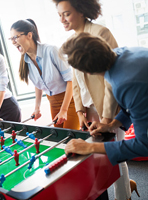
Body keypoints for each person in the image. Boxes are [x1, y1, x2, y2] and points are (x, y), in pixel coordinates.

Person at [53, 0, 132, 199]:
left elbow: (113, 77)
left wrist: (106, 118)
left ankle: (124, 195)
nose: (62, 19)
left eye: (67, 14)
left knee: (114, 155)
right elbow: (76, 81)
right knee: (96, 157)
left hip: (108, 106)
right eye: (59, 15)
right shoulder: (73, 39)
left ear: (81, 10)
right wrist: (80, 112)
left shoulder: (101, 32)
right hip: (88, 108)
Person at [61, 32, 147, 198]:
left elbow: (144, 144)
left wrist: (90, 147)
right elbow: (138, 103)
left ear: (87, 73)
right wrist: (112, 124)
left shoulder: (126, 83)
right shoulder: (123, 53)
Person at [10, 19, 79, 129]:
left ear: (29, 35)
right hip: (53, 102)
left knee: (69, 139)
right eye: (11, 39)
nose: (13, 42)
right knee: (59, 139)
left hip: (70, 100)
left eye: (15, 37)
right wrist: (37, 108)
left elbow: (71, 80)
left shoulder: (51, 50)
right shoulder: (26, 61)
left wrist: (64, 110)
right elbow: (38, 85)